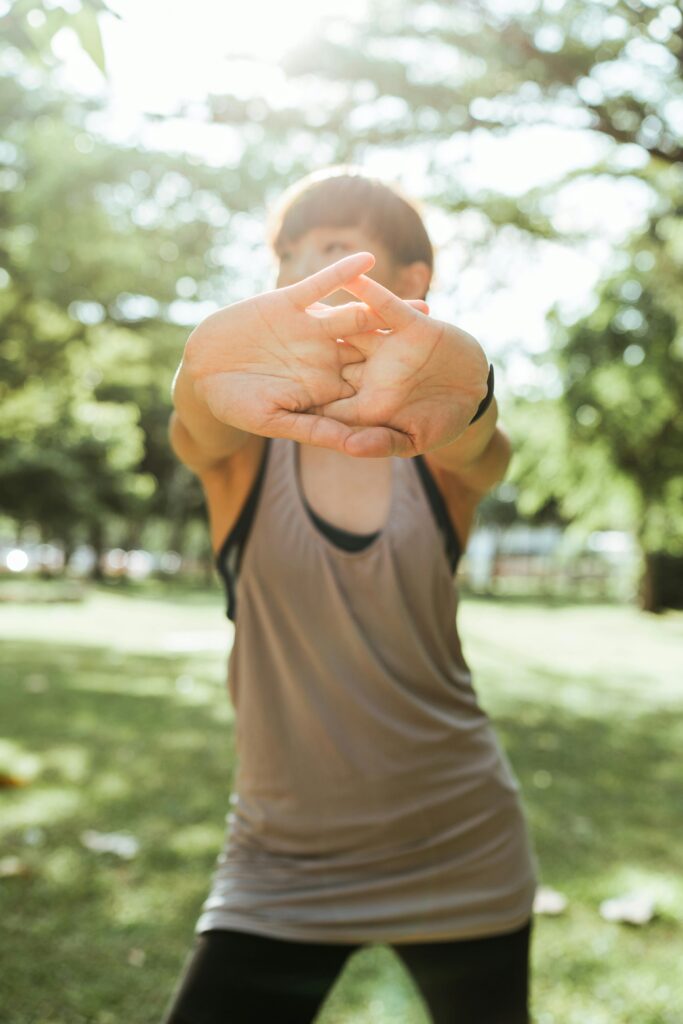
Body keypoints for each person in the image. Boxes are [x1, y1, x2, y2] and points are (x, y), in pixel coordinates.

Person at [162, 168, 537, 1024]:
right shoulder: (245, 457)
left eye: (333, 249)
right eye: (293, 255)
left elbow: (484, 453)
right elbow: (198, 425)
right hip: (279, 862)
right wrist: (196, 377)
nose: (302, 271)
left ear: (413, 284)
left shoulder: (435, 454)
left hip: (460, 843)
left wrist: (472, 404)